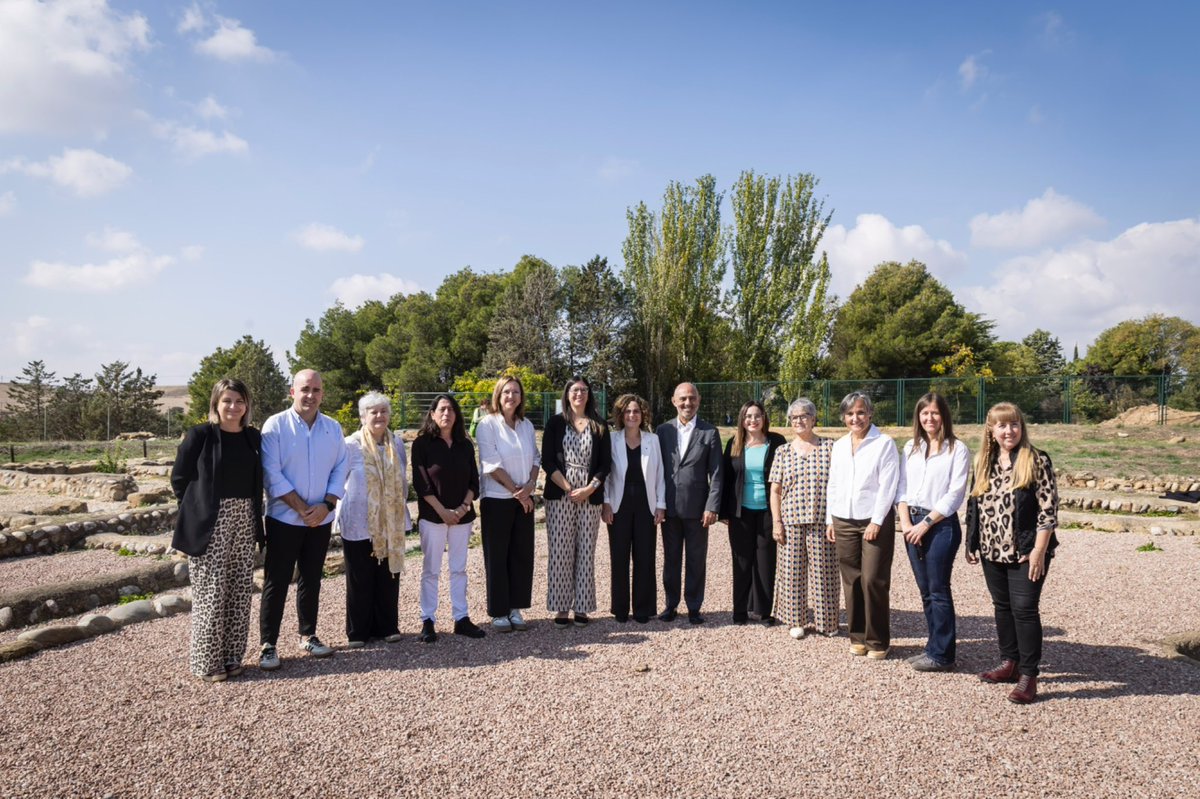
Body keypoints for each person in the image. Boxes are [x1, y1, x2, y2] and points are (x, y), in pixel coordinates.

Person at [966, 402, 1060, 704]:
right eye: (1002, 425)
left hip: (1025, 552)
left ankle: (1029, 675)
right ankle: (1009, 661)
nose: (1009, 431)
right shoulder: (984, 460)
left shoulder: (1036, 461)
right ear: (991, 431)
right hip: (992, 550)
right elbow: (975, 505)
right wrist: (972, 542)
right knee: (1002, 606)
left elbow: (1049, 510)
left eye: (1014, 424)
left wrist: (1038, 551)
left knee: (1025, 609)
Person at [171, 378, 263, 682]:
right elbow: (180, 479)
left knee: (239, 590)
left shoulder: (253, 438)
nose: (233, 407)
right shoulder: (200, 435)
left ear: (246, 405)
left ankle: (232, 656)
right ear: (215, 404)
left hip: (245, 518)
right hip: (211, 520)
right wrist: (196, 510)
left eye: (239, 401)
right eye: (227, 401)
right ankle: (206, 661)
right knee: (211, 591)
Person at [259, 369, 348, 671]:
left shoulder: (333, 428)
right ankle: (268, 644)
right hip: (285, 518)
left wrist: (325, 506)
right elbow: (271, 473)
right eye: (305, 389)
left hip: (320, 520)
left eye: (316, 390)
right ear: (292, 392)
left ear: (323, 393)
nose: (310, 395)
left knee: (312, 579)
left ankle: (308, 634)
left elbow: (340, 469)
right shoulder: (276, 426)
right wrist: (301, 508)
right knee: (277, 580)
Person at [897, 392, 971, 672]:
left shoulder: (957, 449)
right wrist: (906, 524)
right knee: (925, 591)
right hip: (911, 524)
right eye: (925, 413)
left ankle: (943, 655)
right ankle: (933, 648)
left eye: (935, 413)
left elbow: (954, 494)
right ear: (918, 416)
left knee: (939, 590)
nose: (930, 418)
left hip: (940, 526)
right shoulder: (910, 448)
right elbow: (901, 488)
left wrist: (925, 523)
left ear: (944, 417)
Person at [825, 391, 899, 659]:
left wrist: (877, 520)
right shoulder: (840, 446)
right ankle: (857, 636)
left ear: (870, 414)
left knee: (873, 580)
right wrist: (829, 519)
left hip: (873, 520)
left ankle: (878, 640)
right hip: (843, 519)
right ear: (844, 417)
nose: (855, 417)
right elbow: (833, 484)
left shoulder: (884, 444)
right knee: (852, 579)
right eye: (850, 413)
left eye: (860, 412)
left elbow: (888, 486)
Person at [334, 392, 410, 648]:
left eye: (383, 411)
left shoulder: (396, 444)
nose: (379, 416)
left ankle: (387, 626)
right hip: (358, 520)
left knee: (388, 575)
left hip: (391, 522)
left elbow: (403, 480)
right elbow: (338, 480)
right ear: (362, 416)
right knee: (360, 577)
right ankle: (358, 632)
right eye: (373, 412)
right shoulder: (349, 445)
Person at [410, 393, 486, 641]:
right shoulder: (422, 444)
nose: (446, 414)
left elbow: (474, 481)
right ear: (432, 414)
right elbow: (422, 484)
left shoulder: (465, 444)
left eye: (451, 409)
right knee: (431, 570)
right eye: (442, 409)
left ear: (457, 415)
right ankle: (428, 620)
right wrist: (443, 512)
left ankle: (461, 618)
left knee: (459, 569)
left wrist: (463, 507)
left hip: (462, 517)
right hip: (433, 516)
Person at [542, 376, 611, 627]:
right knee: (560, 552)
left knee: (585, 551)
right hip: (561, 493)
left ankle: (582, 607)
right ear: (567, 394)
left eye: (583, 390)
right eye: (574, 390)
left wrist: (589, 489)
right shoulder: (555, 423)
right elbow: (547, 460)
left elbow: (605, 465)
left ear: (589, 394)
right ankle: (561, 607)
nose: (579, 394)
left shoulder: (599, 425)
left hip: (590, 495)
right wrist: (570, 488)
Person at [769, 398, 839, 640]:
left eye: (804, 416)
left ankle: (827, 621)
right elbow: (775, 490)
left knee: (825, 572)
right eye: (794, 417)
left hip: (822, 521)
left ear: (813, 418)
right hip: (791, 521)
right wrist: (776, 522)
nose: (799, 420)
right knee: (791, 574)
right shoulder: (783, 451)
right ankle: (795, 620)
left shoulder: (830, 447)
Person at [656, 382, 723, 624]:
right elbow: (656, 468)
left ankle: (694, 606)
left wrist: (712, 506)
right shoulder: (662, 431)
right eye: (682, 399)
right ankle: (670, 605)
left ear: (699, 400)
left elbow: (716, 473)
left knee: (696, 560)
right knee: (671, 560)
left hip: (698, 510)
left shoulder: (709, 432)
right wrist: (657, 503)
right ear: (674, 401)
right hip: (670, 508)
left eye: (692, 398)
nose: (687, 403)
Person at [476, 376, 539, 632]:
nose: (511, 397)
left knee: (521, 555)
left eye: (515, 392)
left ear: (521, 397)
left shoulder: (526, 425)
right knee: (497, 556)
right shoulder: (487, 425)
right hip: (498, 499)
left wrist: (531, 486)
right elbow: (491, 465)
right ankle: (499, 611)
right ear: (498, 396)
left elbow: (536, 457)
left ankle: (515, 608)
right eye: (506, 392)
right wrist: (518, 491)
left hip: (523, 498)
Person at [720, 400, 787, 625]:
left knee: (766, 563)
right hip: (741, 513)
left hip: (768, 512)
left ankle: (763, 611)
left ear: (764, 418)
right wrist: (724, 513)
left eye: (757, 415)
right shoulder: (734, 444)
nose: (753, 420)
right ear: (742, 419)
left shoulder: (777, 442)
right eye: (748, 416)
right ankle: (740, 611)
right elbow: (726, 480)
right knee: (741, 562)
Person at [601, 394, 665, 624]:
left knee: (645, 557)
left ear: (642, 414)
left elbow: (660, 475)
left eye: (636, 411)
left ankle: (643, 609)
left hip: (646, 504)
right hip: (619, 504)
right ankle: (620, 608)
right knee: (619, 557)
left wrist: (660, 505)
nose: (632, 415)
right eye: (627, 411)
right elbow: (605, 474)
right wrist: (606, 502)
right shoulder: (611, 439)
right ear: (621, 415)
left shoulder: (653, 440)